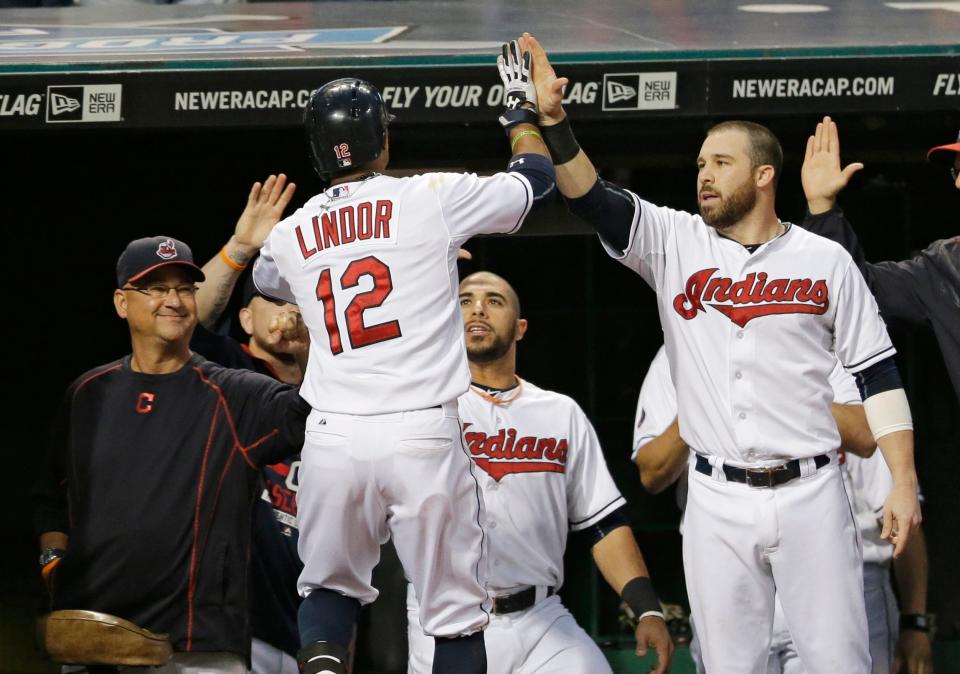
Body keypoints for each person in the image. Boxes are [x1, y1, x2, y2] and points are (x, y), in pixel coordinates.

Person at [520, 32, 921, 673]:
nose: (704, 175)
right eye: (701, 163)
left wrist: (901, 480)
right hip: (715, 500)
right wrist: (554, 123)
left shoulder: (825, 261)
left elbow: (880, 375)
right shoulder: (675, 240)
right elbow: (591, 198)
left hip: (812, 490)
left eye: (721, 163)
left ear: (764, 175)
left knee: (842, 663)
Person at [251, 42, 557, 674]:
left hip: (333, 437)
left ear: (316, 152)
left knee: (329, 591)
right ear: (382, 143)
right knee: (454, 615)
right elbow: (536, 182)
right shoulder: (428, 198)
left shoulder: (289, 233)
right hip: (421, 433)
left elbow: (268, 279)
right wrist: (520, 111)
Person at [33, 235, 311, 671]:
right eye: (156, 288)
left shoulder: (236, 393)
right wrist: (52, 561)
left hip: (195, 646)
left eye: (184, 288)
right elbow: (51, 494)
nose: (175, 300)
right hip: (93, 638)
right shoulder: (88, 394)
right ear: (122, 303)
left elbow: (312, 413)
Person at [405, 271, 674, 674]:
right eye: (464, 301)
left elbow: (603, 522)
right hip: (446, 617)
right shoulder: (419, 409)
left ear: (521, 328)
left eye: (495, 300)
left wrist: (648, 609)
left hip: (541, 617)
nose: (478, 307)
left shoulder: (559, 412)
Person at [634, 346, 932, 674]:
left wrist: (914, 620)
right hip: (729, 570)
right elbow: (651, 472)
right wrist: (707, 391)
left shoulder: (818, 334)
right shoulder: (683, 344)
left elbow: (867, 441)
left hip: (839, 572)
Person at [190, 174, 306, 674]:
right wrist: (240, 247)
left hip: (301, 629)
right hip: (228, 629)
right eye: (274, 302)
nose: (288, 314)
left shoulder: (338, 394)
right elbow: (188, 318)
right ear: (245, 320)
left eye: (297, 302)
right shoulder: (225, 373)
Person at [801, 118, 960, 402]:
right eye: (957, 171)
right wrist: (823, 210)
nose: (959, 182)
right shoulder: (946, 265)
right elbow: (860, 293)